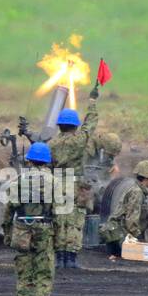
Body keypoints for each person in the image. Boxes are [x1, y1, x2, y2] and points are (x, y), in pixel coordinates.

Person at [4, 142, 57, 296]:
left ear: (29, 160)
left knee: (23, 276)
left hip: (21, 231)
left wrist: (8, 234)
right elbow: (59, 214)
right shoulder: (54, 182)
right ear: (46, 161)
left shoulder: (19, 180)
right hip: (44, 231)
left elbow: (9, 211)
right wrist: (59, 240)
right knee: (43, 275)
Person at [49, 83, 103, 269]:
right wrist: (93, 101)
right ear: (74, 125)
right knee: (74, 222)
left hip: (56, 185)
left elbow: (48, 165)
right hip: (75, 185)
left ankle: (59, 259)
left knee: (59, 222)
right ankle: (71, 260)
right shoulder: (79, 140)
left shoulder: (52, 144)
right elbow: (90, 125)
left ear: (60, 125)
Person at [100, 160, 148, 257]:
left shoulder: (136, 189)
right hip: (120, 235)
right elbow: (131, 221)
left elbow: (143, 211)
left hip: (118, 232)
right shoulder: (137, 192)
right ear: (147, 178)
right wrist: (139, 239)